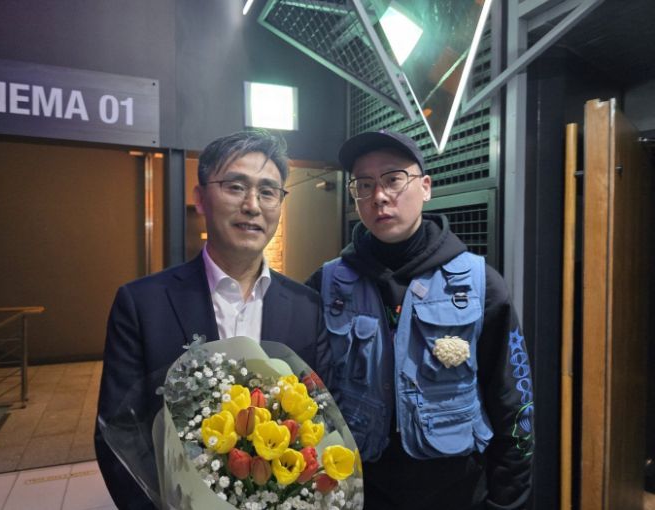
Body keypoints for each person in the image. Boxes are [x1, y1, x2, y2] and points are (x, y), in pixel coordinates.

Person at [95, 130, 324, 509]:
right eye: (235, 187)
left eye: (268, 192)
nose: (252, 205)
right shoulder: (141, 304)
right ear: (200, 198)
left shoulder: (307, 307)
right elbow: (118, 433)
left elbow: (318, 423)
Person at [306, 130, 534, 510]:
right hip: (356, 491)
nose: (379, 196)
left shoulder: (481, 285)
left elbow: (514, 401)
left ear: (425, 187)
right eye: (364, 185)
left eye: (393, 179)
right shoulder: (327, 286)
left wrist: (507, 502)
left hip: (457, 491)